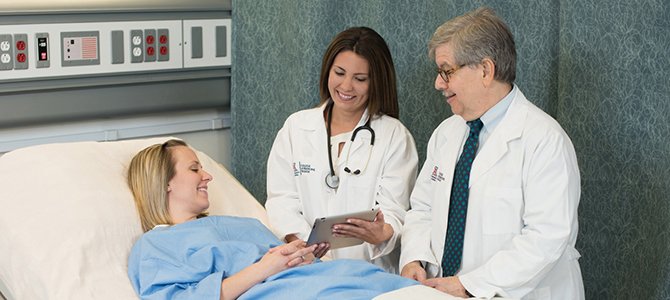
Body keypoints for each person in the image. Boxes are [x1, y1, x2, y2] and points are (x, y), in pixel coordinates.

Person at [400, 7, 585, 300]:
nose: (438, 83)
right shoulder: (447, 133)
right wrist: (413, 257)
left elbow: (547, 237)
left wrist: (468, 284)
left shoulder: (544, 139)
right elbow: (423, 208)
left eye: (447, 71)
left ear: (485, 70)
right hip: (442, 291)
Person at [126, 139, 418, 299]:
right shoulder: (154, 247)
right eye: (194, 169)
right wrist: (266, 267)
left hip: (337, 278)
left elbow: (282, 263)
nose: (208, 176)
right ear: (165, 181)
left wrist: (303, 255)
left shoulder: (240, 223)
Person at [265, 26, 418, 274]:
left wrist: (381, 232)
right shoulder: (297, 127)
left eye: (360, 79)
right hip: (305, 267)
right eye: (339, 73)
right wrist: (304, 245)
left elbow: (394, 211)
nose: (346, 86)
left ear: (376, 82)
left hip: (368, 272)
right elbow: (281, 199)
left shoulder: (394, 136)